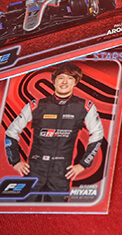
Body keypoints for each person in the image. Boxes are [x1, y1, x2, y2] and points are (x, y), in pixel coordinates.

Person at [5, 62, 104, 202]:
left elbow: (97, 134)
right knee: (25, 209)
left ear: (75, 82)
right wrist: (15, 161)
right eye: (61, 78)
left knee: (57, 210)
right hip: (34, 169)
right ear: (53, 81)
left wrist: (83, 164)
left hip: (62, 171)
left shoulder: (85, 107)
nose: (64, 82)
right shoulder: (36, 105)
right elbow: (11, 132)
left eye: (70, 78)